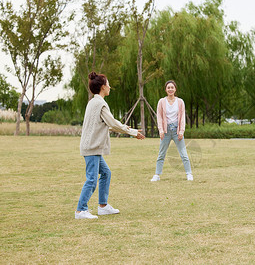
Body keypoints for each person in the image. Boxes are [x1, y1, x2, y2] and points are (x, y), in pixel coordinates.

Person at [76, 72, 145, 219]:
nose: (110, 87)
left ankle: (103, 206)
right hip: (92, 148)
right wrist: (132, 131)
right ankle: (81, 210)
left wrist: (130, 131)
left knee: (106, 173)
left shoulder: (93, 102)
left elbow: (108, 125)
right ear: (102, 87)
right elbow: (113, 123)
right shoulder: (100, 103)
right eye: (108, 84)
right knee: (92, 180)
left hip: (92, 146)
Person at [151, 80, 193, 182]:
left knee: (183, 153)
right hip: (165, 131)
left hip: (177, 131)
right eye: (168, 87)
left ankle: (189, 173)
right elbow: (159, 117)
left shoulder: (180, 102)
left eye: (172, 87)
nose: (170, 89)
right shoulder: (161, 101)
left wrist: (181, 131)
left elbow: (182, 117)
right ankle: (157, 175)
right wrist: (161, 130)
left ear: (175, 89)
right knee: (161, 154)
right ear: (166, 89)